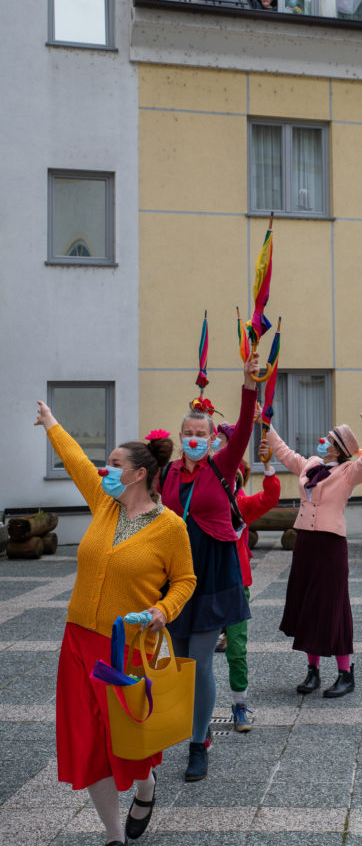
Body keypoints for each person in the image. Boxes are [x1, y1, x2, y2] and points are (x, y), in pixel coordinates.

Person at [34, 400, 196, 846]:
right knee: (88, 743)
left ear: (138, 474)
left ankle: (145, 787)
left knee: (130, 741)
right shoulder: (104, 505)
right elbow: (76, 461)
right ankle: (113, 836)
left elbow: (185, 580)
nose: (105, 470)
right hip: (78, 640)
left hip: (126, 648)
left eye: (114, 464)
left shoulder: (170, 527)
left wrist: (163, 610)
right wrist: (52, 423)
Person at [159, 356, 259, 782]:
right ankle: (197, 727)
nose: (194, 439)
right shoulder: (166, 474)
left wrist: (248, 384)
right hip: (174, 577)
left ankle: (197, 745)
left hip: (213, 574)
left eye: (202, 434)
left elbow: (245, 428)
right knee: (180, 664)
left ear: (211, 437)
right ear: (180, 436)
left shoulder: (222, 465)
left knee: (200, 663)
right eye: (189, 433)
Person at [265, 412, 362, 697]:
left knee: (333, 605)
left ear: (338, 448)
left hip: (331, 544)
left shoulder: (349, 471)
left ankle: (345, 674)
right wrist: (265, 425)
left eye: (328, 439)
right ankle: (312, 671)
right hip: (305, 541)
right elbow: (283, 452)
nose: (322, 440)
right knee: (307, 603)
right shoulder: (311, 464)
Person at [213, 430, 281, 730]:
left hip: (236, 585)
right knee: (195, 651)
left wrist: (267, 466)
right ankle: (194, 708)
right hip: (203, 585)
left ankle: (239, 704)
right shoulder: (201, 504)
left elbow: (270, 497)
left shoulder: (241, 506)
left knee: (237, 649)